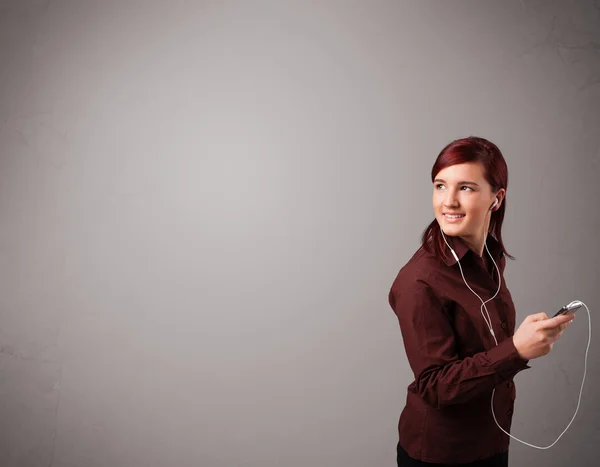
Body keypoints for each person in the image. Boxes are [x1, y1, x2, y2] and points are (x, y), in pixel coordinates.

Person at [388, 136, 575, 466]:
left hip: (492, 441)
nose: (449, 201)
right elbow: (434, 386)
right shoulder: (418, 282)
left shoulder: (489, 257)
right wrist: (516, 350)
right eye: (440, 186)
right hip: (443, 455)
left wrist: (527, 341)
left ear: (496, 198)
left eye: (466, 188)